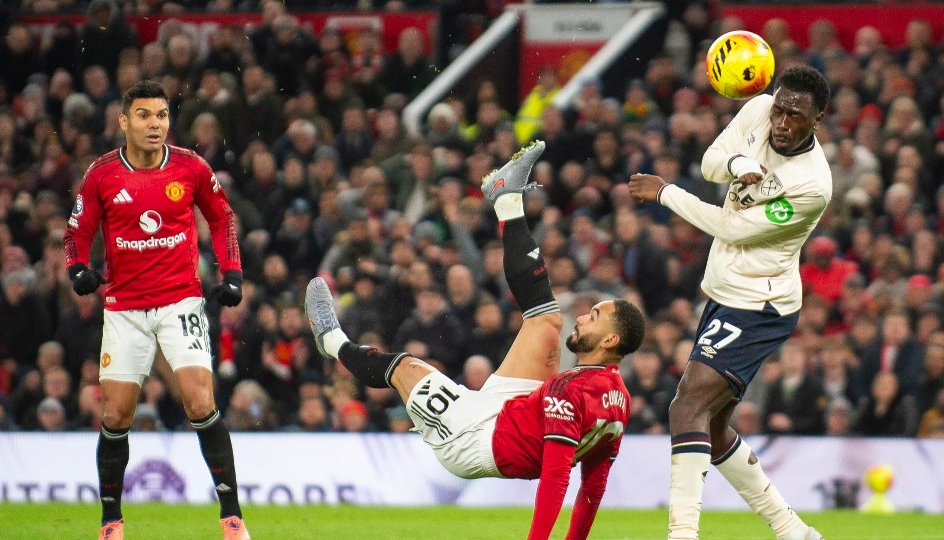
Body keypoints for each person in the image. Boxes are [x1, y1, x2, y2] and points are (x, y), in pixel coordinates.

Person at [305, 141, 645, 540]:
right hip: (515, 407)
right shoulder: (617, 399)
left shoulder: (570, 391)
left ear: (611, 339)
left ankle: (333, 342)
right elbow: (595, 483)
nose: (584, 315)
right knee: (547, 321)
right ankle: (505, 196)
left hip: (475, 438)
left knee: (407, 367)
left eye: (595, 317)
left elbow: (557, 479)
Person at [628, 65, 831, 540]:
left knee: (686, 406)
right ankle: (793, 531)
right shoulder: (760, 108)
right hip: (724, 292)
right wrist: (740, 164)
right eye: (780, 109)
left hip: (759, 305)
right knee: (712, 428)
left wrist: (665, 193)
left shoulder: (812, 185)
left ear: (817, 120)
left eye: (795, 116)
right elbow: (711, 161)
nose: (781, 122)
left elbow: (733, 228)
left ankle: (682, 533)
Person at [62, 80, 250, 540]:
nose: (155, 125)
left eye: (162, 116)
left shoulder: (190, 167)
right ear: (124, 121)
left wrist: (232, 272)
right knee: (116, 415)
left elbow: (222, 216)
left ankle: (232, 518)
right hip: (124, 307)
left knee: (201, 400)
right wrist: (78, 268)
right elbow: (77, 232)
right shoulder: (103, 174)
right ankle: (111, 522)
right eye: (144, 116)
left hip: (179, 301)